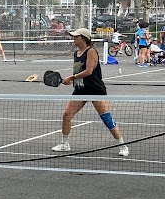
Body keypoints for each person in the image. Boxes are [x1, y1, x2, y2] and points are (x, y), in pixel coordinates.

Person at [52, 28, 128, 157]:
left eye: (76, 37)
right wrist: (72, 80)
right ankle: (65, 144)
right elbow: (78, 71)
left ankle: (122, 145)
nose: (74, 39)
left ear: (84, 38)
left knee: (106, 119)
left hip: (95, 90)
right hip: (80, 90)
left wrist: (71, 77)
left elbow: (89, 71)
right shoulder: (76, 53)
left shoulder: (91, 51)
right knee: (66, 115)